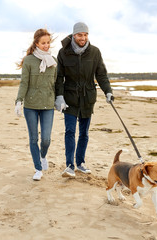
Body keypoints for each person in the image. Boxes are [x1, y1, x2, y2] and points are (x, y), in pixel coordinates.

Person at [55, 22, 114, 178]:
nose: (83, 37)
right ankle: (69, 165)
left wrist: (108, 91)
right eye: (80, 35)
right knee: (69, 131)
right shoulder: (63, 53)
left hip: (87, 99)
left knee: (84, 133)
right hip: (69, 98)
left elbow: (101, 74)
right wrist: (59, 96)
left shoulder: (94, 52)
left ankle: (80, 163)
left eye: (85, 34)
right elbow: (59, 77)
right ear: (74, 35)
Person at [15, 29, 57, 181]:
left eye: (48, 43)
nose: (46, 46)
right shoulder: (29, 60)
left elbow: (56, 83)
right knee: (34, 139)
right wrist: (19, 101)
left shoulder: (53, 60)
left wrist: (60, 99)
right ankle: (38, 168)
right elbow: (24, 82)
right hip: (31, 105)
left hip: (47, 105)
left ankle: (43, 156)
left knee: (46, 139)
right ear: (37, 43)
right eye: (43, 43)